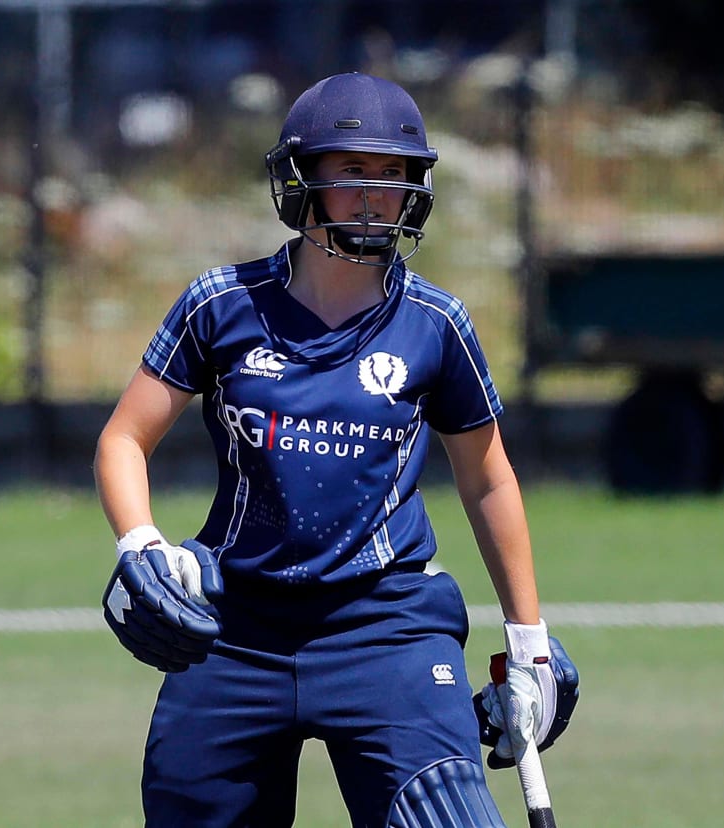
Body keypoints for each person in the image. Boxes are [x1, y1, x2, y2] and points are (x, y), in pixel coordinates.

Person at [94, 72, 577, 828]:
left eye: (393, 172)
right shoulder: (221, 304)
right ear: (303, 179)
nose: (374, 192)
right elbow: (124, 439)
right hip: (232, 629)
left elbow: (489, 482)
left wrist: (530, 645)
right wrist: (140, 544)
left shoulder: (436, 323)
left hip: (388, 628)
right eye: (351, 169)